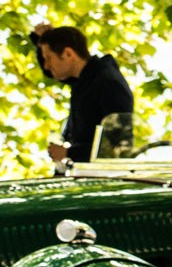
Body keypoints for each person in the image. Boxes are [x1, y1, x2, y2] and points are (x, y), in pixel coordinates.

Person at [28, 23, 133, 164]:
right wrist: (40, 40)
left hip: (101, 178)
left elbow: (118, 144)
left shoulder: (108, 83)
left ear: (68, 54)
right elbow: (51, 72)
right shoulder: (83, 79)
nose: (46, 65)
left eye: (48, 57)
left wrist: (69, 153)